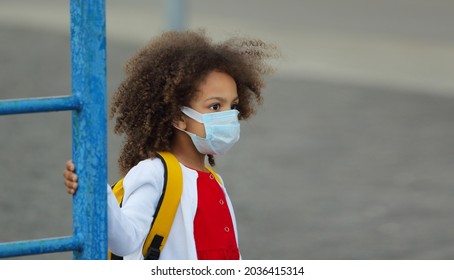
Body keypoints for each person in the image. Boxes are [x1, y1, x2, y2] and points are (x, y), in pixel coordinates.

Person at [63, 29, 278, 260]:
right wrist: (94, 187)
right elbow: (124, 240)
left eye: (233, 106)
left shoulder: (215, 180)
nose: (228, 116)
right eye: (215, 107)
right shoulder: (154, 173)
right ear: (178, 116)